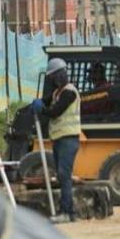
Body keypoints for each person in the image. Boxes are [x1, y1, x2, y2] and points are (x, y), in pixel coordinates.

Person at [31, 58, 80, 224]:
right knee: (61, 175)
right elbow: (46, 102)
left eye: (54, 76)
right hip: (59, 139)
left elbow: (56, 111)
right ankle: (66, 210)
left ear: (60, 75)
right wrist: (36, 104)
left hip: (68, 139)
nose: (53, 79)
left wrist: (43, 109)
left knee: (64, 175)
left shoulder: (69, 92)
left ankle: (68, 211)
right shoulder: (56, 93)